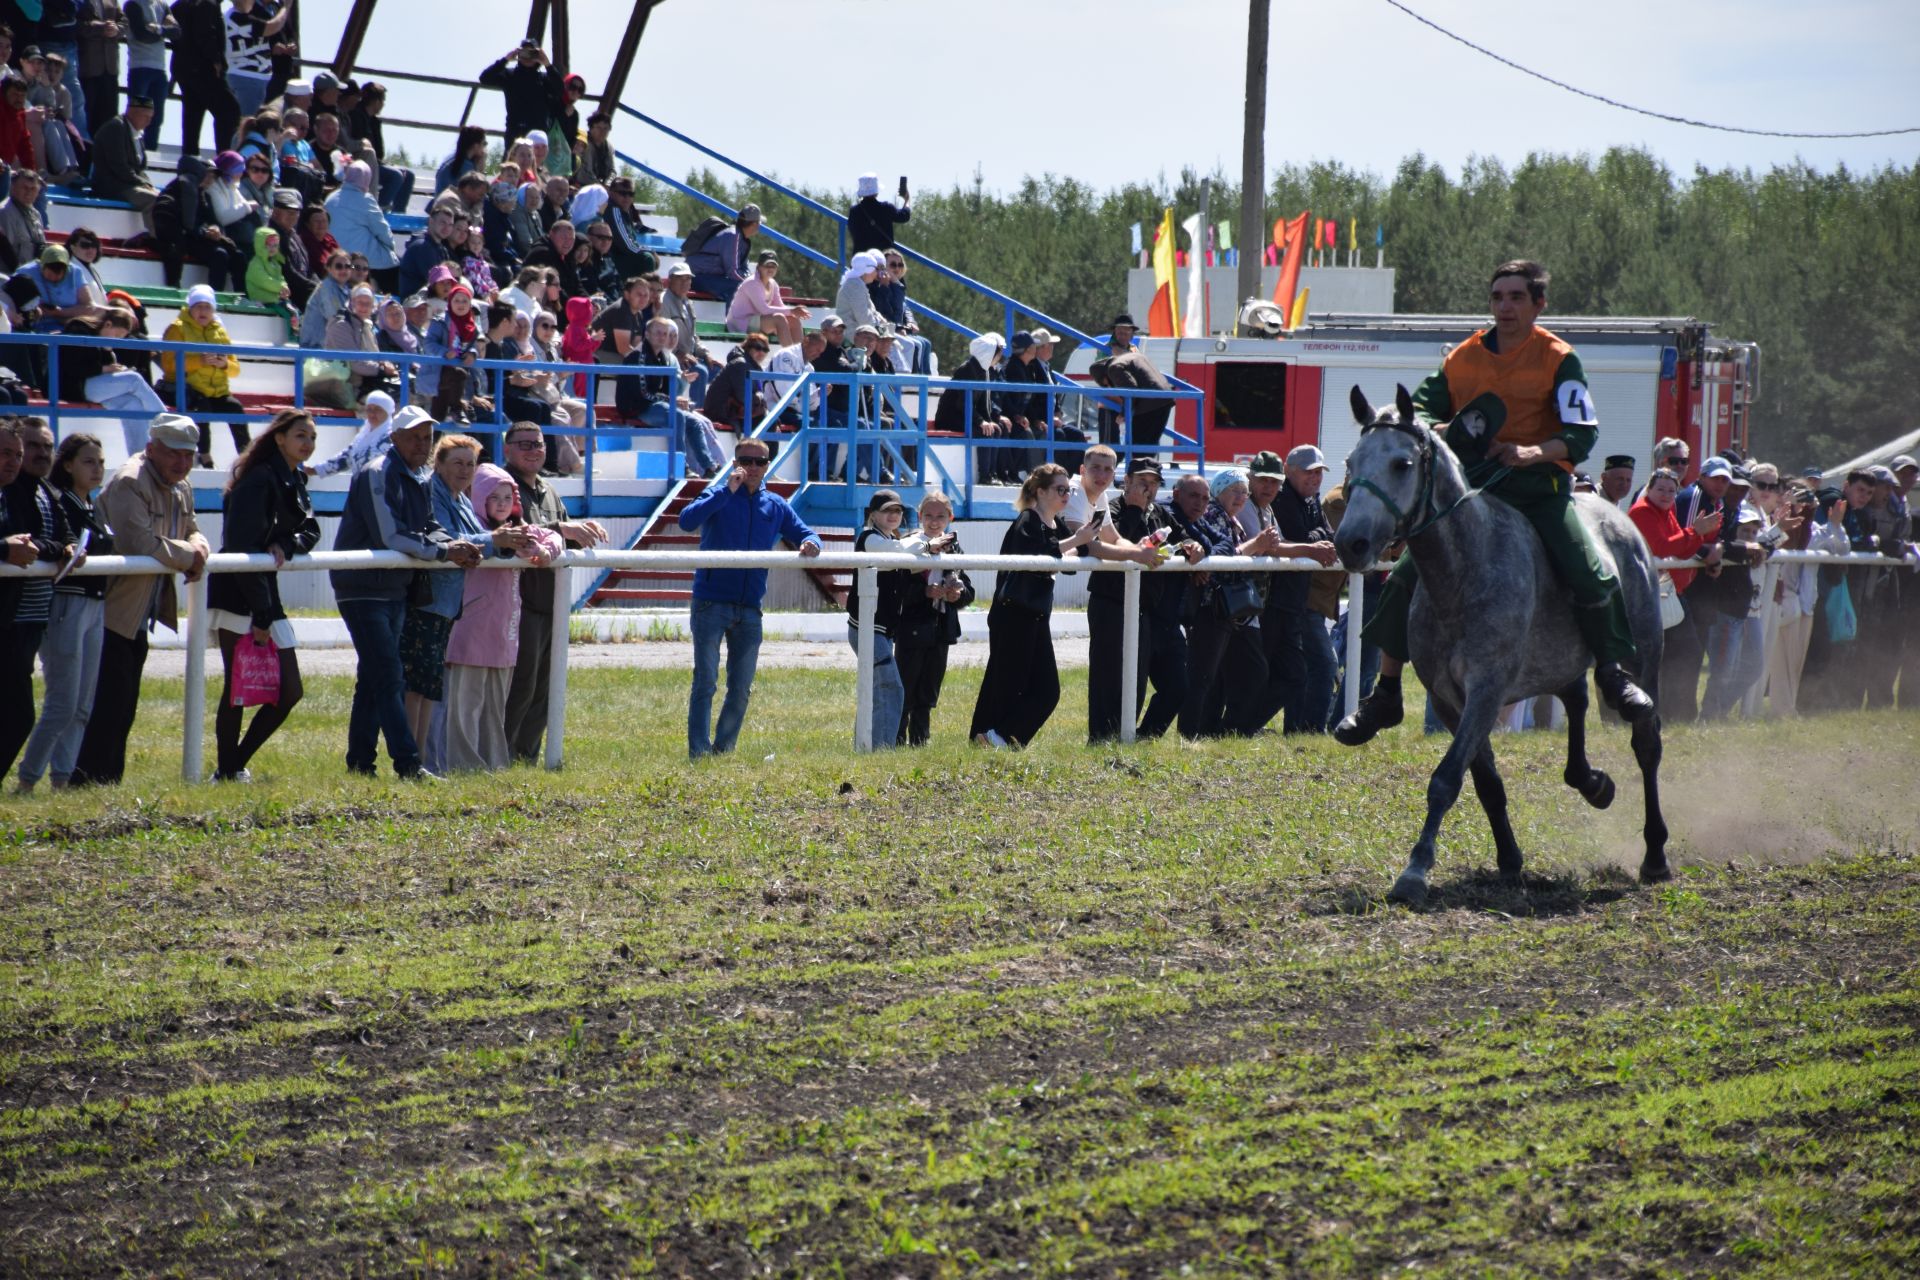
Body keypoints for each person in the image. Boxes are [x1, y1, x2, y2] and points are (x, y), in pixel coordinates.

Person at [1335, 260, 1656, 746]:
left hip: (1539, 491)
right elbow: (1421, 407)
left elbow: (1582, 433)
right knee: (1403, 578)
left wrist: (1533, 451)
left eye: (1516, 297)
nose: (1505, 307)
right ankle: (1385, 692)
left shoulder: (1559, 357)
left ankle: (1611, 671)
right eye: (1497, 297)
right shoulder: (1463, 357)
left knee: (1590, 569)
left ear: (1538, 303)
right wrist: (1435, 428)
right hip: (1476, 488)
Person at [330, 405, 485, 779]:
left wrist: (455, 544)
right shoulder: (376, 473)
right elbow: (392, 536)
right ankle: (408, 763)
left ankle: (361, 763)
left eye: (427, 437)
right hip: (363, 587)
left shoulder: (416, 478)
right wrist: (448, 550)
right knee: (389, 675)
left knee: (373, 677)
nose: (421, 443)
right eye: (414, 436)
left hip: (393, 588)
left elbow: (430, 527)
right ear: (394, 438)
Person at [70, 414, 209, 786]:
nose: (182, 463)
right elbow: (140, 544)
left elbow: (194, 530)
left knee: (123, 706)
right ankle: (83, 780)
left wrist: (198, 549)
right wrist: (191, 556)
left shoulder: (181, 486)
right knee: (106, 705)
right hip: (109, 611)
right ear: (151, 449)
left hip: (137, 614)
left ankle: (105, 781)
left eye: (188, 455)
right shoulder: (131, 481)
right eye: (174, 454)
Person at [677, 435, 822, 758]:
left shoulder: (776, 505)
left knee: (740, 689)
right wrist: (726, 491)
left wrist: (813, 544)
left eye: (760, 462)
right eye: (746, 460)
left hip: (750, 607)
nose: (753, 467)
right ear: (735, 463)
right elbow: (686, 521)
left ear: (768, 466)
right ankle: (698, 753)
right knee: (706, 683)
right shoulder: (718, 493)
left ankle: (723, 750)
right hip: (710, 602)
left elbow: (807, 533)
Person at [203, 409, 318, 781]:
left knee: (290, 691)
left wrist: (288, 540)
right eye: (301, 435)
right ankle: (228, 769)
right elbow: (240, 546)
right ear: (280, 437)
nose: (308, 443)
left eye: (312, 437)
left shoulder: (295, 476)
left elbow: (310, 529)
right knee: (236, 686)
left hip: (264, 589)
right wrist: (262, 615)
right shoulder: (257, 477)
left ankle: (233, 765)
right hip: (238, 589)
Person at [499, 421, 610, 763]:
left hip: (552, 603)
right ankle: (502, 754)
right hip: (519, 604)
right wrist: (562, 527)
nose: (533, 450)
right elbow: (511, 531)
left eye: (538, 443)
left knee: (546, 688)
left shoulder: (548, 490)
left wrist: (580, 527)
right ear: (507, 449)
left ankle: (527, 756)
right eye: (524, 444)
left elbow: (558, 535)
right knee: (522, 686)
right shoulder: (503, 486)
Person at [969, 463, 1101, 748]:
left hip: (1036, 612)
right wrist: (1075, 541)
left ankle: (992, 737)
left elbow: (1067, 564)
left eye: (1069, 489)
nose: (1066, 495)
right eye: (1060, 489)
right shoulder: (1027, 519)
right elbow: (1041, 553)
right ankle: (991, 738)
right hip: (1013, 612)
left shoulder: (1056, 524)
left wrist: (1073, 543)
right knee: (1007, 682)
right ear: (1040, 491)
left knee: (1044, 689)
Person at [442, 461, 560, 772]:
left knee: (496, 705)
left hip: (505, 633)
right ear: (480, 497)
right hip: (471, 630)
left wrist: (547, 551)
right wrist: (501, 542)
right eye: (495, 497)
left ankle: (494, 763)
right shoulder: (474, 531)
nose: (502, 504)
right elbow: (466, 542)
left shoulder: (519, 530)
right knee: (466, 704)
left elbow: (551, 537)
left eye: (508, 498)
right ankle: (462, 764)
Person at [14, 432, 110, 791]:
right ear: (67, 465)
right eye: (88, 461)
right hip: (67, 603)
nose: (97, 468)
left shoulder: (91, 506)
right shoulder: (61, 502)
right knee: (63, 703)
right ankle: (28, 778)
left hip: (95, 604)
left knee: (82, 705)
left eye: (100, 462)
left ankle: (62, 778)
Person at [1068, 444, 1168, 742]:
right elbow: (1088, 544)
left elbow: (1115, 538)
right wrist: (1138, 555)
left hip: (1130, 601)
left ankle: (1114, 737)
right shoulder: (1074, 492)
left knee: (1127, 673)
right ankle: (1101, 738)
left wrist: (1141, 550)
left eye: (1107, 469)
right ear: (1083, 470)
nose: (1102, 474)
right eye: (1096, 468)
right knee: (1106, 674)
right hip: (1100, 597)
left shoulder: (1099, 498)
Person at [1, 419, 76, 782]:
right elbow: (21, 544)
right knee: (17, 714)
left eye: (17, 454)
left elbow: (49, 540)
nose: (16, 461)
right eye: (8, 453)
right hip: (11, 616)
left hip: (24, 617)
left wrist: (63, 547)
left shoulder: (40, 490)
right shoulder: (15, 492)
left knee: (17, 714)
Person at [1180, 468, 1281, 740]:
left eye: (1244, 492)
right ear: (1218, 492)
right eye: (1233, 491)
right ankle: (1195, 733)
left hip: (1229, 609)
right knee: (1205, 676)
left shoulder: (1231, 520)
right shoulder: (1214, 514)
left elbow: (1224, 553)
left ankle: (1218, 730)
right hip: (1212, 606)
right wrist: (1256, 544)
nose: (1240, 497)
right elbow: (1221, 558)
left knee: (1222, 676)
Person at [1257, 445, 1342, 733]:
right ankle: (1302, 729)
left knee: (1296, 670)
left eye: (1318, 472)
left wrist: (1313, 539)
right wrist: (1312, 540)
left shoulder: (1311, 500)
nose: (1315, 478)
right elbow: (1300, 538)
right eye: (1308, 472)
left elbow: (1324, 535)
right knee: (1318, 665)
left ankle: (1296, 729)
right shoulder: (1282, 499)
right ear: (1288, 473)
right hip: (1277, 599)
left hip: (1295, 599)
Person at [843, 488, 926, 749]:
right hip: (867, 629)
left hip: (880, 631)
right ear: (873, 515)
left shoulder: (893, 541)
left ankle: (865, 746)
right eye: (887, 510)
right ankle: (880, 750)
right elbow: (899, 554)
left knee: (875, 689)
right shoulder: (869, 539)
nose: (893, 515)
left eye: (898, 510)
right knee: (890, 687)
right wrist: (926, 544)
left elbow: (912, 559)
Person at [892, 491, 974, 747]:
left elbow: (968, 591)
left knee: (929, 687)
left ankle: (920, 739)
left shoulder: (954, 547)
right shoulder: (909, 543)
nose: (934, 521)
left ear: (950, 518)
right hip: (912, 626)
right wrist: (924, 592)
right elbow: (897, 588)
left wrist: (955, 596)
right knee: (906, 683)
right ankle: (896, 738)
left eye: (941, 516)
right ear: (919, 516)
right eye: (928, 515)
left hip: (941, 628)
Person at [160, 284, 249, 465]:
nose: (203, 311)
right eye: (198, 306)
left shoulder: (220, 330)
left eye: (207, 306)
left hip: (216, 392)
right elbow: (168, 365)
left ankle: (247, 457)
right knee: (202, 406)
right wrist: (199, 361)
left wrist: (224, 364)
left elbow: (236, 369)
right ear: (190, 308)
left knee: (236, 408)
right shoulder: (177, 329)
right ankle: (205, 456)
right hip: (186, 389)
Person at [637, 315, 726, 478]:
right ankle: (682, 466)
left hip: (657, 405)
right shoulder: (638, 357)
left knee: (694, 422)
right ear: (647, 335)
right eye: (658, 333)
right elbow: (642, 394)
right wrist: (671, 400)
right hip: (639, 407)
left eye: (666, 333)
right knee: (677, 416)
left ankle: (708, 467)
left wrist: (675, 394)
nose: (663, 337)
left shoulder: (663, 358)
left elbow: (665, 392)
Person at [932, 332, 1015, 484]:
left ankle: (993, 473)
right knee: (985, 433)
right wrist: (980, 422)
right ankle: (984, 476)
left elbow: (983, 403)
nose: (1000, 357)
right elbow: (963, 403)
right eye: (998, 353)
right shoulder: (967, 370)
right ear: (988, 353)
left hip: (965, 416)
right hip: (951, 418)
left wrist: (991, 420)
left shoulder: (984, 371)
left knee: (996, 428)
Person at [1087, 316, 1174, 458]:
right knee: (1111, 448)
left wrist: (1125, 411)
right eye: (1120, 332)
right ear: (1114, 332)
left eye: (1126, 332)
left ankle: (1140, 471)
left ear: (1131, 334)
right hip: (1112, 402)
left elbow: (1131, 388)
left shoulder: (1131, 352)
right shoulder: (1105, 349)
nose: (1122, 336)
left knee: (1139, 445)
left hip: (1134, 402)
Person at [325, 160, 397, 292]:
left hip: (336, 255)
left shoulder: (331, 198)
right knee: (394, 266)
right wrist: (391, 247)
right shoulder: (365, 199)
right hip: (360, 261)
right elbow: (382, 229)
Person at [478, 39, 561, 152]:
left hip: (538, 133)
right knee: (512, 166)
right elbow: (484, 78)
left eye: (531, 53)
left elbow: (560, 90)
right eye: (524, 52)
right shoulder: (510, 75)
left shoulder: (544, 79)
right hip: (515, 131)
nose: (527, 56)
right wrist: (505, 59)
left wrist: (547, 64)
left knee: (537, 168)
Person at [325, 283, 400, 407]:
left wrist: (385, 364)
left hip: (366, 383)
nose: (364, 307)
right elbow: (355, 363)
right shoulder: (341, 325)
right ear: (352, 302)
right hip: (346, 387)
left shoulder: (366, 325)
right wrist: (382, 370)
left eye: (368, 303)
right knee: (389, 403)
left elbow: (376, 356)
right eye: (360, 302)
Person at [88, 95, 158, 224]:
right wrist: (142, 183)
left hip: (129, 183)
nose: (149, 122)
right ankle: (156, 240)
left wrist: (148, 184)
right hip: (115, 186)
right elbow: (119, 166)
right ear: (132, 112)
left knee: (166, 199)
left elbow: (140, 169)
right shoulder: (116, 127)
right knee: (154, 200)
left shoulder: (136, 133)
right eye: (146, 117)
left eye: (151, 117)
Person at [308, 388, 392, 479]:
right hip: (361, 489)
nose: (372, 414)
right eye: (369, 409)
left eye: (378, 409)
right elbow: (345, 459)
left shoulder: (393, 437)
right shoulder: (362, 437)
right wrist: (314, 470)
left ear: (387, 411)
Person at [682, 201, 756, 304]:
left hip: (712, 277)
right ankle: (733, 320)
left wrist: (752, 281)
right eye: (758, 223)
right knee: (737, 288)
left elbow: (744, 268)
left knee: (747, 287)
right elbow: (733, 272)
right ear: (753, 224)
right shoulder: (732, 236)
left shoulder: (742, 240)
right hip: (696, 276)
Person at [123, 0, 173, 148]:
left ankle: (150, 149)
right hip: (139, 67)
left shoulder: (162, 6)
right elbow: (141, 34)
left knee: (156, 117)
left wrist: (158, 30)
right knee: (135, 113)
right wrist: (164, 31)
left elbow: (177, 31)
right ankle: (130, 148)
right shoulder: (133, 4)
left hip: (159, 69)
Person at [702, 332, 769, 432]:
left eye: (765, 349)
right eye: (758, 348)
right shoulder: (741, 364)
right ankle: (755, 447)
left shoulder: (754, 367)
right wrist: (759, 397)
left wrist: (758, 397)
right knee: (768, 423)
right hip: (721, 412)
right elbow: (744, 397)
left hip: (732, 410)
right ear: (748, 348)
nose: (762, 352)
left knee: (770, 420)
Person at [847, 171, 910, 253]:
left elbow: (852, 231)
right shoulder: (886, 208)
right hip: (883, 259)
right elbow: (904, 216)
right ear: (876, 191)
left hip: (862, 258)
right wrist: (907, 200)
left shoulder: (854, 211)